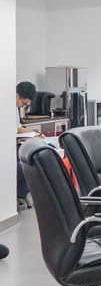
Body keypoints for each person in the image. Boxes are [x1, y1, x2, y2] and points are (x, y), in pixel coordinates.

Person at [16, 81, 42, 210]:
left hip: (14, 147)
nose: (23, 106)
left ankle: (21, 195)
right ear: (17, 95)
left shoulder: (14, 109)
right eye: (24, 103)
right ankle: (18, 195)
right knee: (23, 167)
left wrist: (36, 134)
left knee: (35, 160)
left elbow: (18, 129)